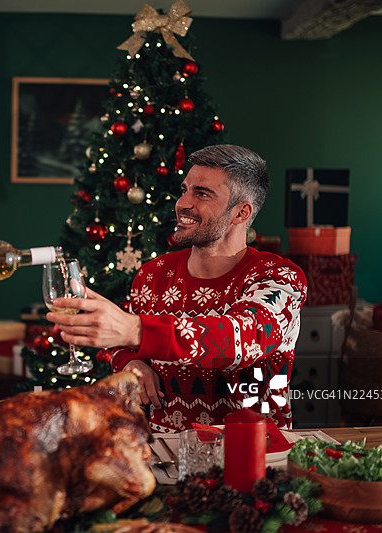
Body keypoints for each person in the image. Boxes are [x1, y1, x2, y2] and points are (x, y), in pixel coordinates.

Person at [47, 144, 307, 431]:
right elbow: (123, 348)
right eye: (185, 190)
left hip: (254, 453)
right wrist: (131, 363)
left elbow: (241, 339)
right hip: (161, 455)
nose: (182, 203)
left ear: (241, 213)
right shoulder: (152, 275)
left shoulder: (279, 278)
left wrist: (136, 330)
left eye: (202, 194)